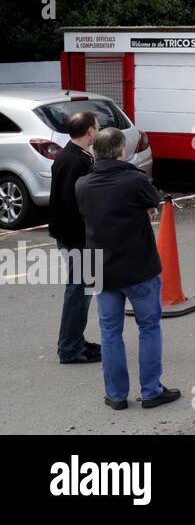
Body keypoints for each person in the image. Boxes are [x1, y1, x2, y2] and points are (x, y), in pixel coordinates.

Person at [76, 127, 180, 410]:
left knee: (110, 332)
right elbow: (153, 200)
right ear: (122, 151)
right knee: (148, 327)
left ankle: (116, 394)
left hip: (98, 264)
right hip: (136, 263)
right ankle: (150, 390)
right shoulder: (134, 179)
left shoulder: (83, 184)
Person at [48, 110, 101, 365]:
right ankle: (69, 347)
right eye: (97, 126)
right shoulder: (76, 162)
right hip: (78, 238)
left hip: (71, 235)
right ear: (90, 130)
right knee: (79, 291)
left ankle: (75, 340)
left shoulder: (70, 155)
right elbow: (76, 203)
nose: (98, 130)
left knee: (82, 290)